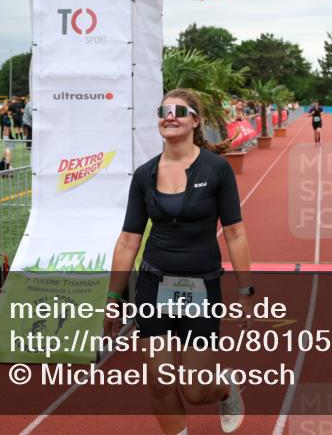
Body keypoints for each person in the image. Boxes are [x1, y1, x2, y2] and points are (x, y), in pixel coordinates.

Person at [104, 88, 252, 435]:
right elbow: (128, 240)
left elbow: (235, 234)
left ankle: (225, 387)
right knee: (159, 381)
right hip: (154, 286)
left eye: (179, 111)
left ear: (195, 121)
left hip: (201, 286)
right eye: (163, 110)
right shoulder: (144, 174)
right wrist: (113, 298)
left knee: (196, 390)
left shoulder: (216, 169)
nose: (169, 116)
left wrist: (246, 289)